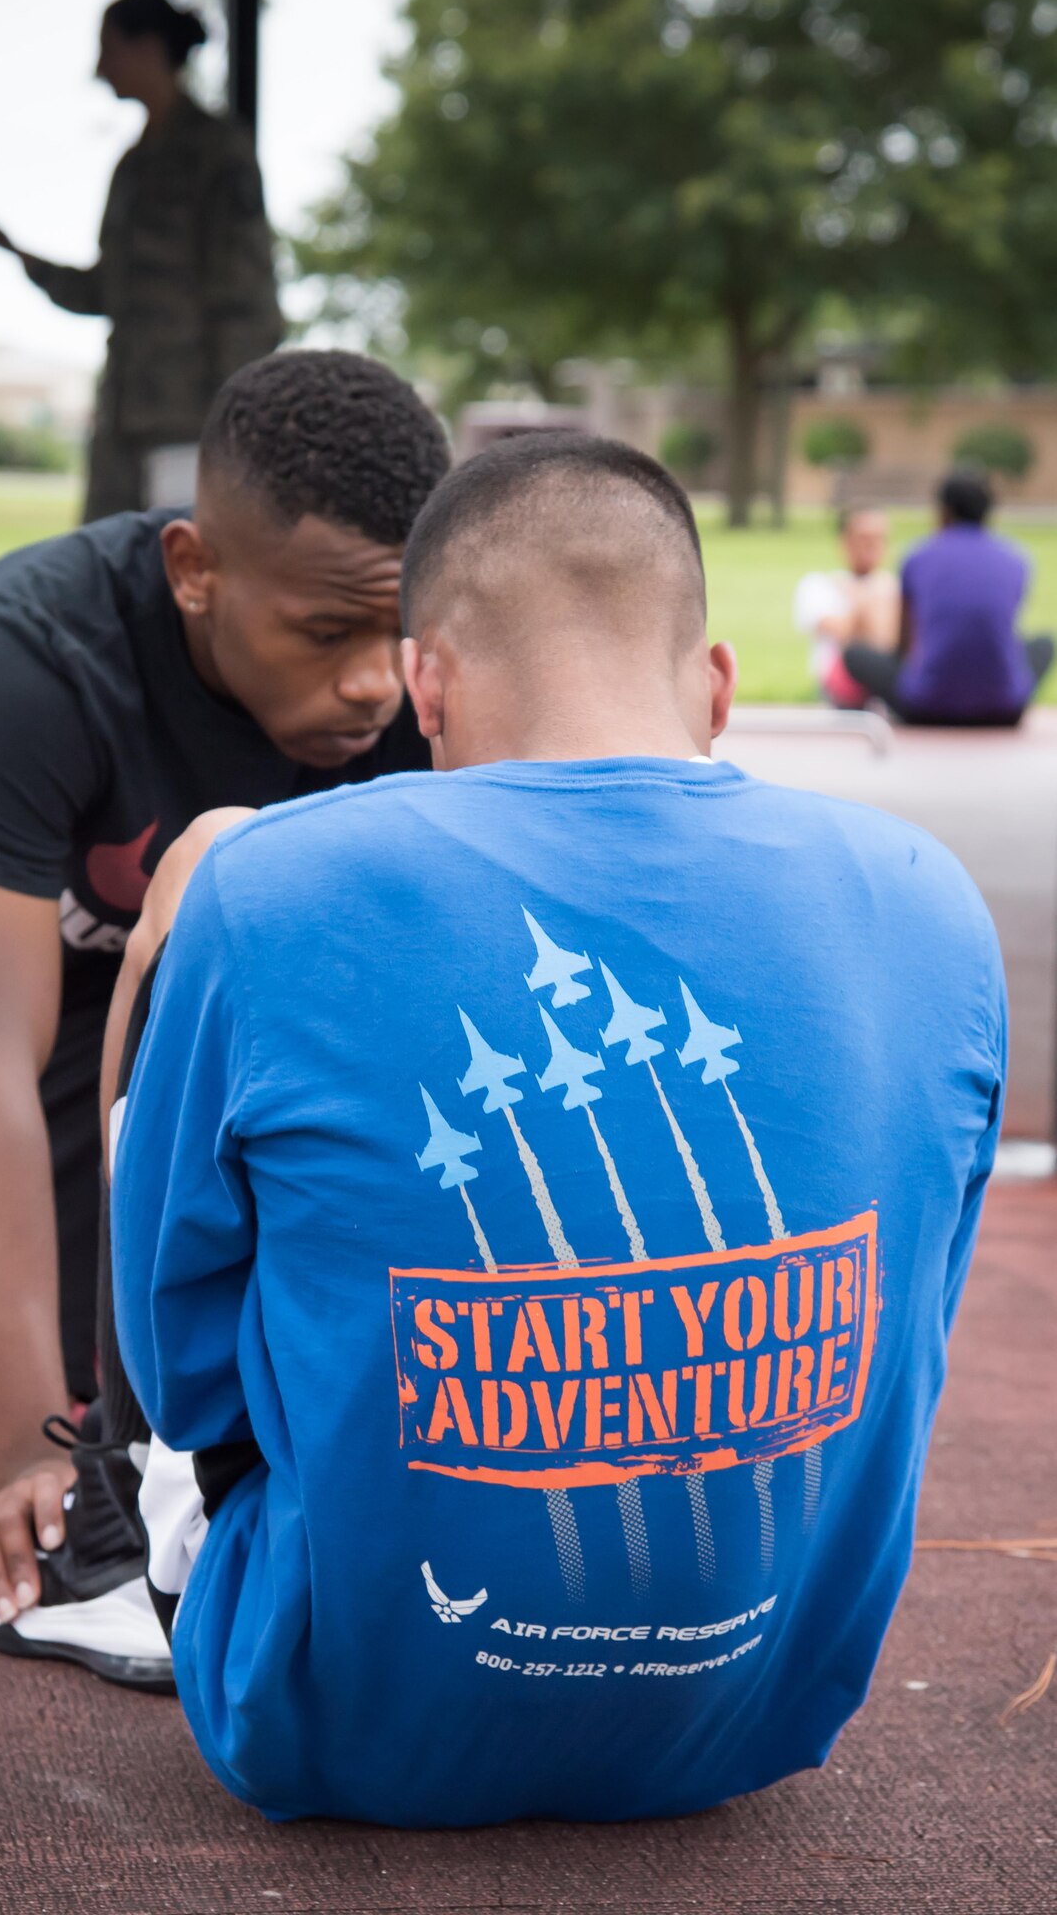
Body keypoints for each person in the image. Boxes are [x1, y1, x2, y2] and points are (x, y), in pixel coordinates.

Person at [111, 433, 1004, 1825]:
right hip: (746, 1722)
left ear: (425, 683)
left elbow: (178, 1364)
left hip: (316, 1726)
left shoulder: (271, 892)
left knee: (203, 861)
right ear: (713, 685)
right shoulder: (930, 899)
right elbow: (915, 1313)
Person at [0, 352, 451, 1687]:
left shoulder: (438, 674)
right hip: (44, 1036)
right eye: (324, 633)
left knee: (370, 1418)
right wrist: (29, 1472)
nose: (373, 688)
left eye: (393, 636)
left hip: (299, 1048)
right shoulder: (33, 646)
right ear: (192, 567)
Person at [0, 0, 283, 522]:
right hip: (124, 424)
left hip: (192, 426)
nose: (99, 68)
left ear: (149, 47)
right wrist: (19, 256)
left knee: (188, 578)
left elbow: (249, 301)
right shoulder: (133, 166)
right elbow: (108, 291)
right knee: (109, 576)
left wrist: (226, 424)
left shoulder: (216, 153)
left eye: (109, 49)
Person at [843, 471, 1053, 724]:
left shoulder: (917, 557)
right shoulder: (1017, 560)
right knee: (1044, 644)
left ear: (943, 511)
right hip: (1003, 708)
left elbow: (906, 643)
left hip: (926, 707)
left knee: (855, 654)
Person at [792, 509, 899, 708]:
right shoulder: (819, 585)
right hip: (837, 691)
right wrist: (869, 598)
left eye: (878, 539)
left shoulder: (895, 586)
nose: (871, 546)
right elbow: (842, 633)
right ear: (845, 542)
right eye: (863, 538)